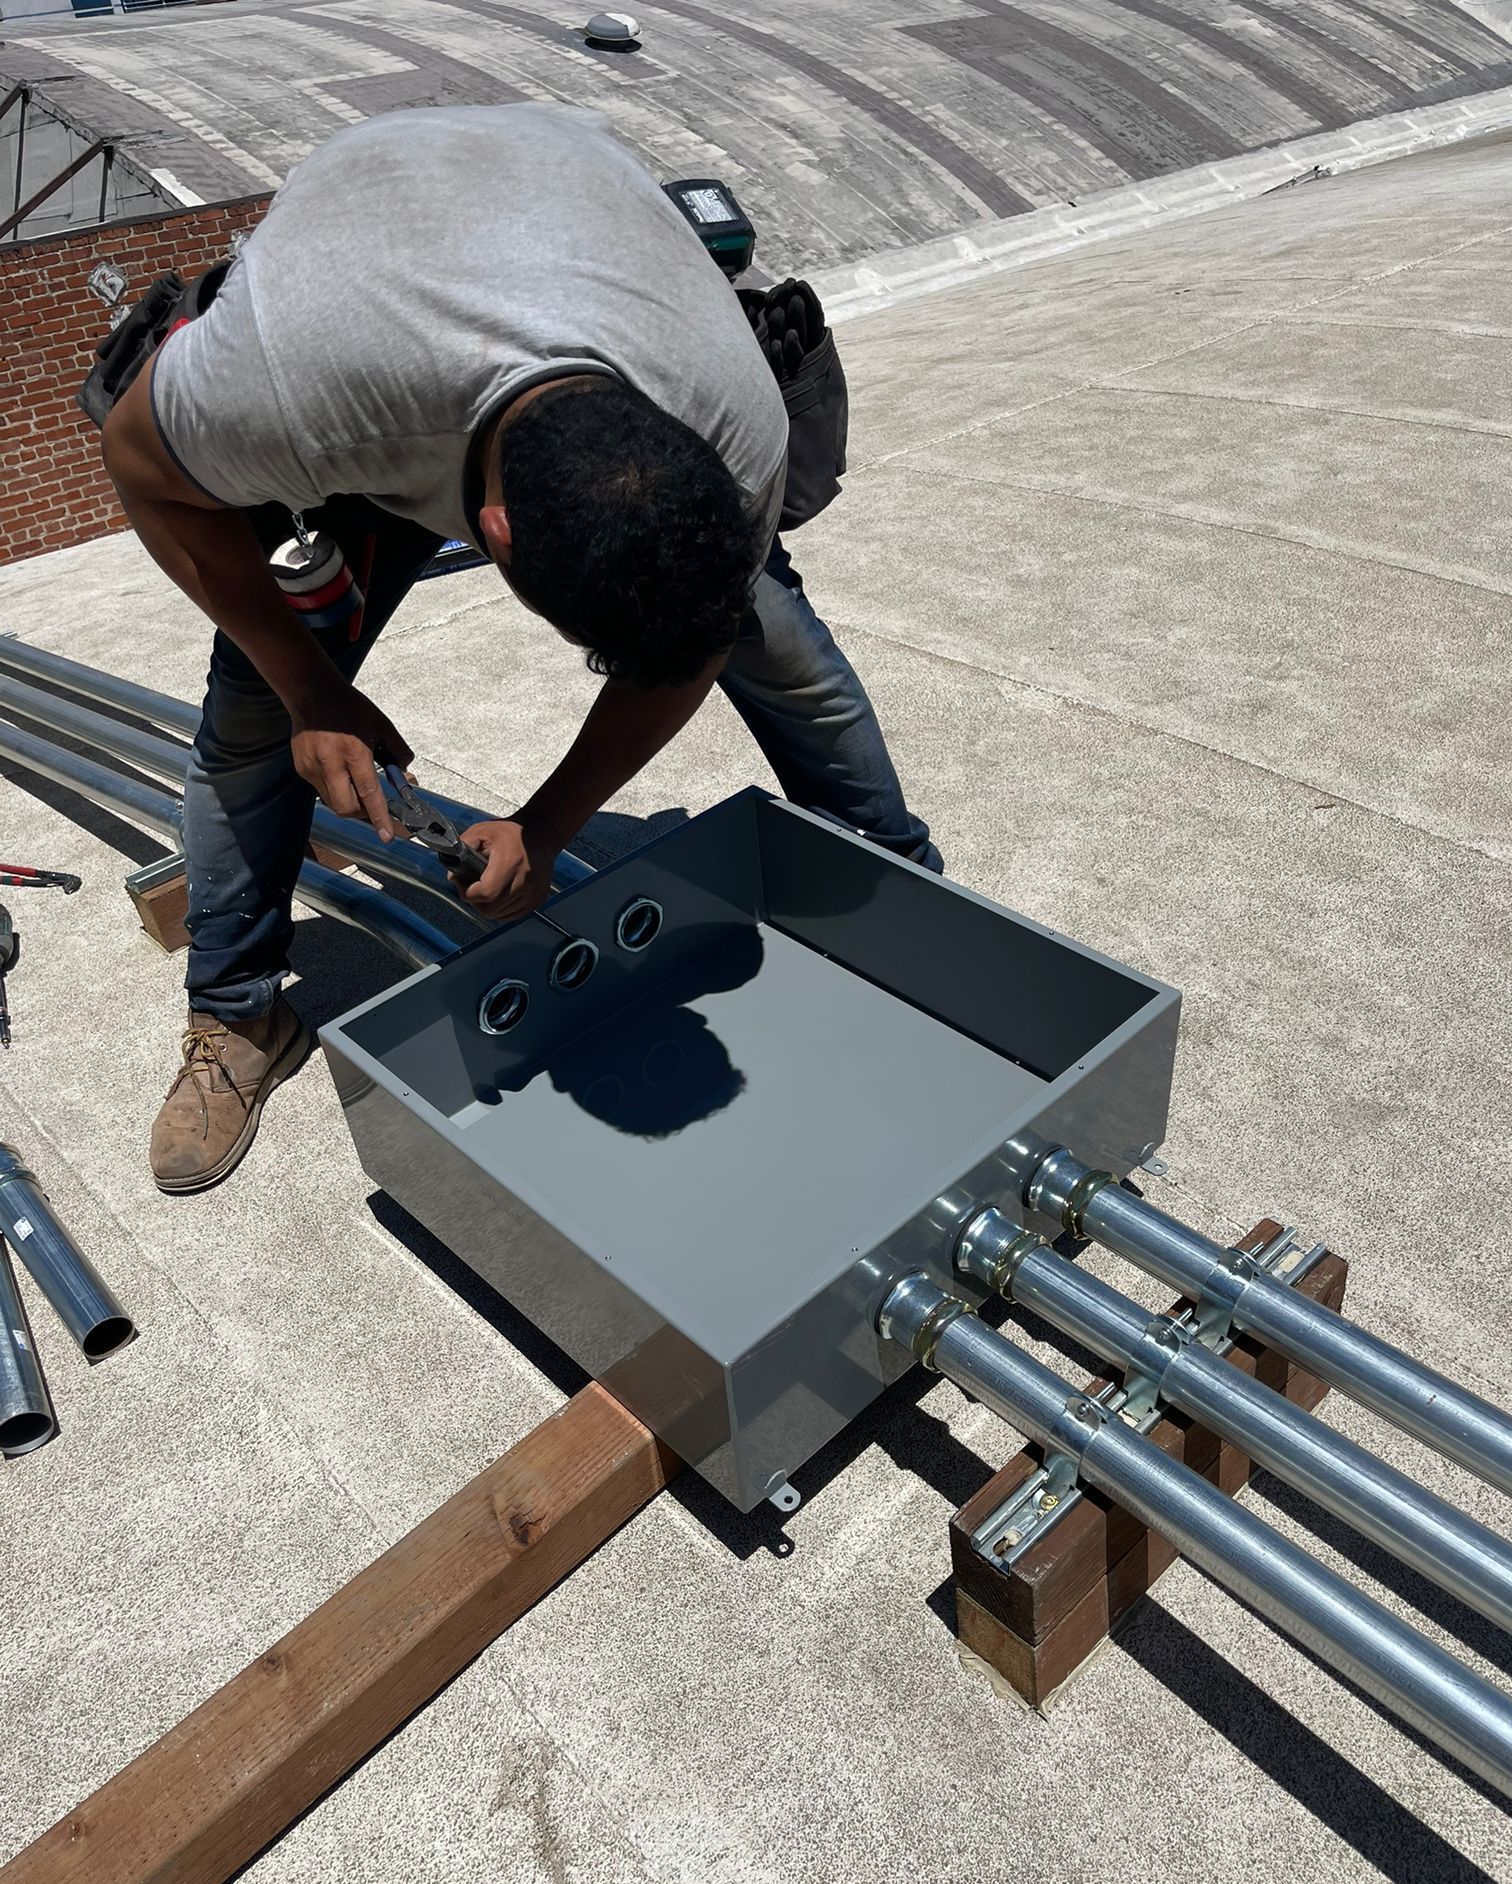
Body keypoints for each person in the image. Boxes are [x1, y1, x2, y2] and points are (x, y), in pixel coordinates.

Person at [102, 103, 938, 1196]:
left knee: (782, 652)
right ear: (485, 536)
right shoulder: (293, 392)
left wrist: (548, 826)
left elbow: (681, 653)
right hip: (374, 290)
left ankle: (905, 903)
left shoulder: (728, 417)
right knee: (252, 719)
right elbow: (136, 459)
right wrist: (308, 691)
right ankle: (238, 1011)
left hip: (557, 219)